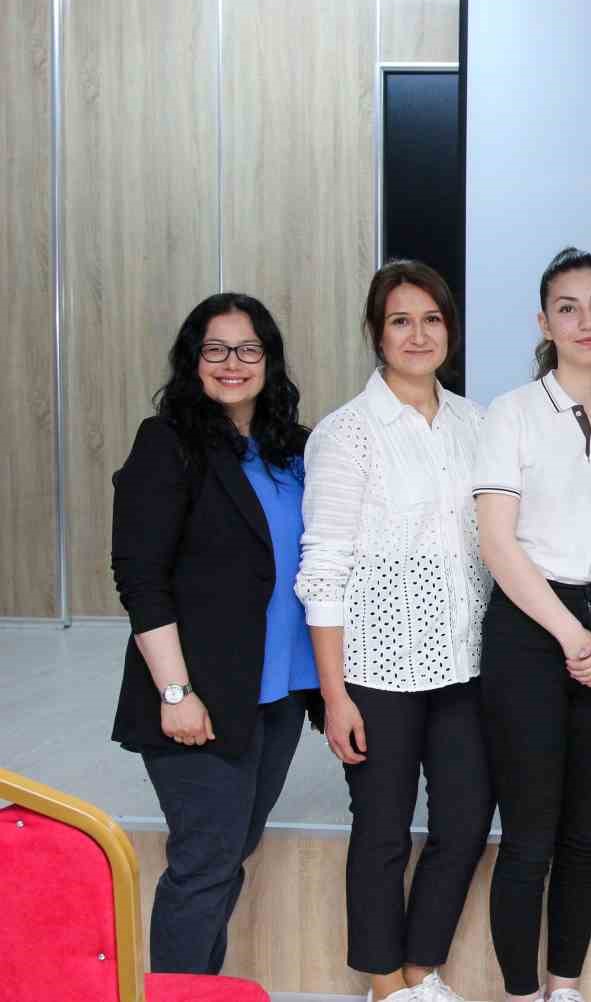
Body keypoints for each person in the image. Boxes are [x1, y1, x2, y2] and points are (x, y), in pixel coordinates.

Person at [295, 261, 493, 1002]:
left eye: (432, 320)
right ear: (377, 334)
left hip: (466, 662)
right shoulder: (348, 434)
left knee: (466, 821)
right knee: (382, 831)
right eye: (401, 321)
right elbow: (323, 567)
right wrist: (334, 694)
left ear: (451, 329)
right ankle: (385, 984)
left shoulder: (478, 424)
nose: (419, 335)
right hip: (376, 671)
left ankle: (422, 969)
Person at [473, 248, 591, 1002]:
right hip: (530, 629)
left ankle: (566, 987)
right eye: (568, 307)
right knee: (529, 837)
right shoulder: (511, 415)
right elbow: (497, 542)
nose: (587, 321)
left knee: (588, 832)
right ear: (544, 322)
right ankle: (521, 994)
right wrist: (567, 634)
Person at [110, 292, 319, 973]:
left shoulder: (292, 452)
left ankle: (199, 989)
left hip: (281, 693)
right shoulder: (167, 444)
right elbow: (141, 579)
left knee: (227, 856)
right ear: (192, 360)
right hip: (199, 698)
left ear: (270, 360)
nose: (234, 363)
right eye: (216, 349)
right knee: (204, 866)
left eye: (249, 348)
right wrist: (175, 693)